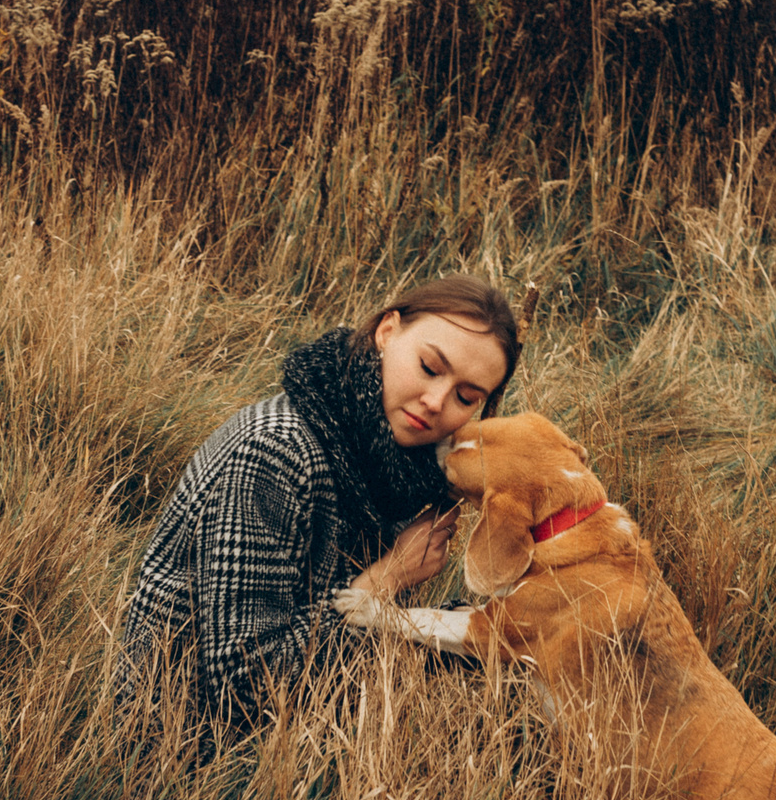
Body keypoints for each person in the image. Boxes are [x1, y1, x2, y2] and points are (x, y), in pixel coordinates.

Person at [112, 274, 521, 732]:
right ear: (387, 332)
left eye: (466, 397)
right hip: (187, 745)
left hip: (320, 719)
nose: (434, 401)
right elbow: (240, 685)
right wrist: (388, 577)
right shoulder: (273, 452)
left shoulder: (403, 466)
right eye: (428, 367)